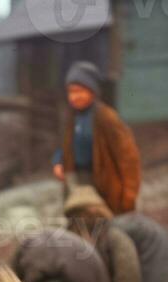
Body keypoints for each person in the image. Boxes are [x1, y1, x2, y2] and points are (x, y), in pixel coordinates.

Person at [52, 61, 141, 216]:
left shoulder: (106, 118)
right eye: (71, 92)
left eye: (80, 91)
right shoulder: (72, 117)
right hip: (77, 179)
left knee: (103, 220)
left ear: (92, 91)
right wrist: (58, 162)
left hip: (102, 180)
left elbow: (128, 158)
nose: (74, 97)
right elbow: (65, 145)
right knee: (78, 218)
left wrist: (129, 197)